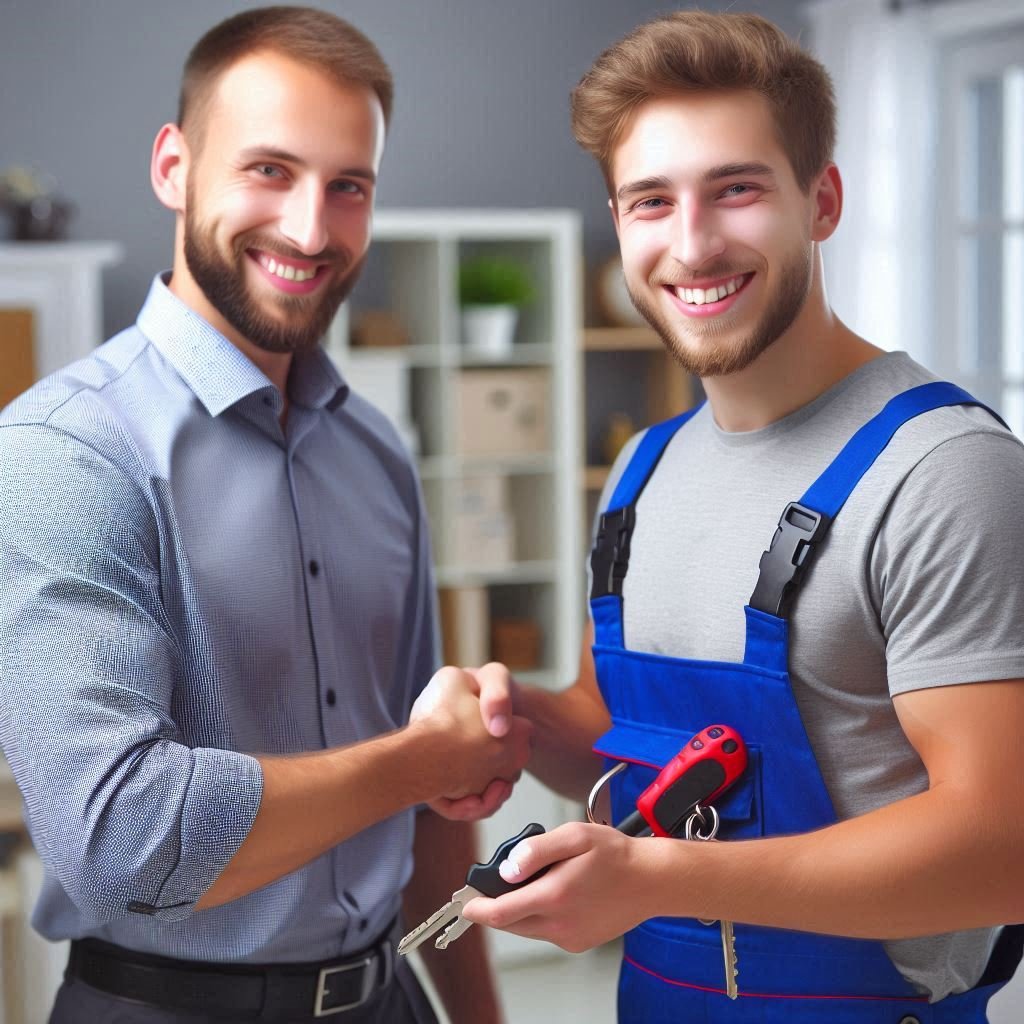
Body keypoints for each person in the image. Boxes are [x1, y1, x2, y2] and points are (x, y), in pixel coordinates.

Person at [423, 10, 1024, 1022]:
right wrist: (507, 721)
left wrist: (658, 879)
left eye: (734, 189)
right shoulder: (641, 471)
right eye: (649, 201)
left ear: (820, 200)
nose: (691, 245)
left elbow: (1002, 851)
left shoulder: (945, 472)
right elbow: (618, 734)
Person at [0, 8, 531, 1023]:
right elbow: (121, 843)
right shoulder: (63, 451)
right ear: (174, 166)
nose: (308, 227)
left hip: (392, 996)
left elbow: (430, 818)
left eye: (349, 187)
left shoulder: (375, 452)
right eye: (269, 171)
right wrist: (424, 758)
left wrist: (475, 1016)